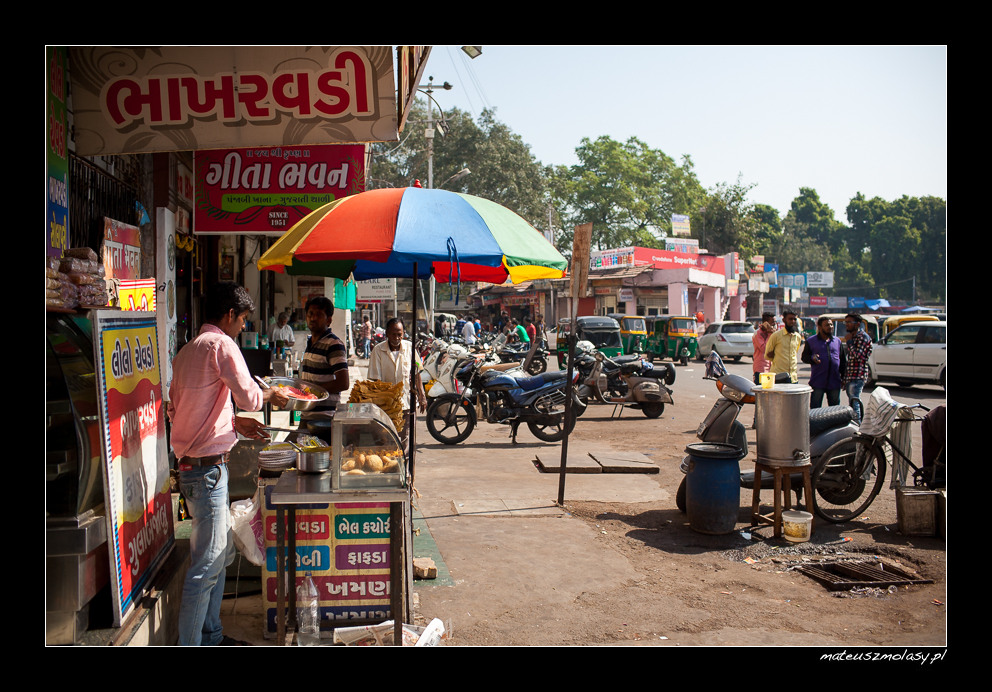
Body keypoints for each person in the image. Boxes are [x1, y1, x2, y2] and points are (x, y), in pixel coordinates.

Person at [168, 282, 290, 646]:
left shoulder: (187, 350)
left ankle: (212, 635)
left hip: (194, 468)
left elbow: (184, 411)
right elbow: (250, 396)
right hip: (207, 472)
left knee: (219, 558)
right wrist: (271, 393)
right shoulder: (221, 345)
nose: (243, 327)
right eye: (243, 320)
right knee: (206, 567)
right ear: (230, 314)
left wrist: (234, 423)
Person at [368, 317, 428, 449]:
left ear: (403, 333)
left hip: (405, 402)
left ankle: (403, 461)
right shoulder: (378, 350)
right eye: (393, 334)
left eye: (399, 334)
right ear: (387, 334)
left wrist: (422, 395)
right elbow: (375, 380)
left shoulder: (410, 348)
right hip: (385, 405)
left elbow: (417, 373)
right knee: (386, 438)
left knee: (404, 438)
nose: (396, 338)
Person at [299, 296, 350, 426]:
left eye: (319, 315)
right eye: (310, 314)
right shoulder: (310, 343)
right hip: (307, 415)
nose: (313, 318)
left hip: (324, 419)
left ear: (329, 320)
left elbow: (343, 383)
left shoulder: (334, 344)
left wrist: (311, 391)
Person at [802, 316, 846, 408]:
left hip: (834, 382)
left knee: (834, 410)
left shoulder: (837, 341)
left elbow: (842, 361)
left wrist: (844, 377)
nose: (830, 327)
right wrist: (812, 358)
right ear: (819, 327)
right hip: (818, 382)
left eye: (831, 325)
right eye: (827, 325)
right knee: (815, 410)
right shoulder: (811, 341)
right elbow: (804, 357)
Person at [842, 313, 873, 423]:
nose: (847, 324)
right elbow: (850, 360)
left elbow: (858, 356)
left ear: (857, 324)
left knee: (855, 403)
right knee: (852, 402)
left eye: (849, 322)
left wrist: (849, 342)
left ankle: (858, 425)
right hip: (851, 376)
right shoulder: (854, 337)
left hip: (858, 376)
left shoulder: (862, 337)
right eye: (846, 322)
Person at [765, 310, 804, 384]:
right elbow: (767, 355)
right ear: (784, 320)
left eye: (794, 319)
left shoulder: (797, 337)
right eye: (790, 319)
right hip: (779, 377)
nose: (792, 321)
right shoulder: (776, 336)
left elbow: (794, 353)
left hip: (793, 378)